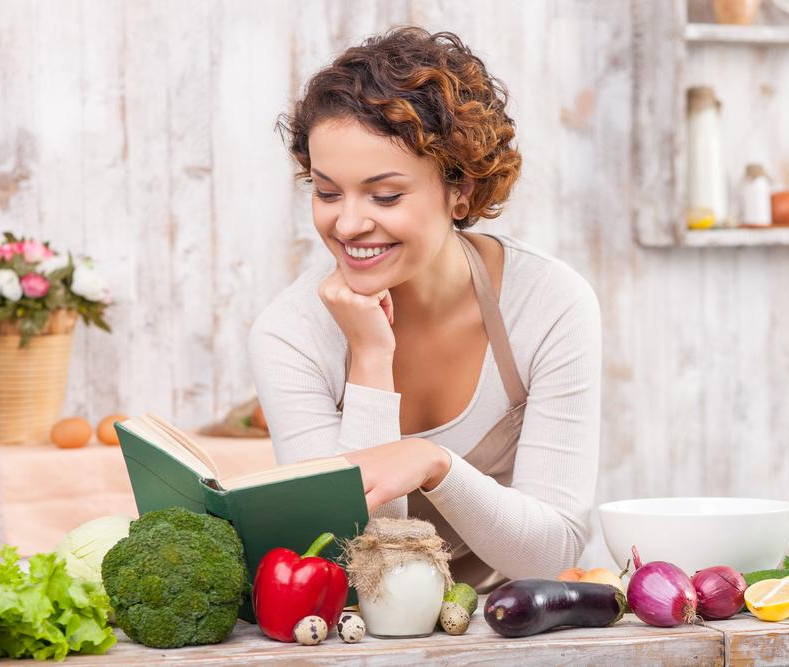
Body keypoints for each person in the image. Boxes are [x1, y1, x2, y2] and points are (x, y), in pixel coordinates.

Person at [249, 26, 601, 591]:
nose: (347, 224)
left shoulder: (549, 303)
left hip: (521, 625)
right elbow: (346, 569)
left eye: (385, 195)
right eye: (327, 191)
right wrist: (369, 361)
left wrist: (433, 465)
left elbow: (549, 555)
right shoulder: (290, 334)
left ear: (459, 190)